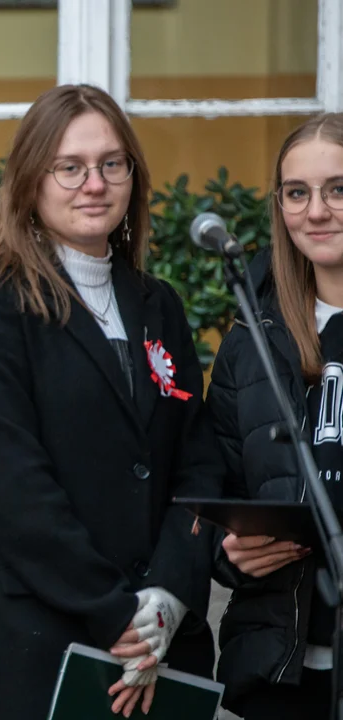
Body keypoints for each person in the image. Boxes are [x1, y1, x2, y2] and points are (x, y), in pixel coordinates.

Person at [0, 84, 223, 720]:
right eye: (69, 167)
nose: (93, 183)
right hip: (35, 643)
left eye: (111, 164)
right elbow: (10, 482)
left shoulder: (160, 304)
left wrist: (169, 598)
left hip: (158, 647)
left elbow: (197, 465)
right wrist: (114, 611)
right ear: (30, 182)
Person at [208, 112, 343, 720]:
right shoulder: (251, 337)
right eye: (297, 193)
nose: (315, 211)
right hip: (278, 670)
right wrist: (228, 553)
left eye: (338, 189)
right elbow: (213, 481)